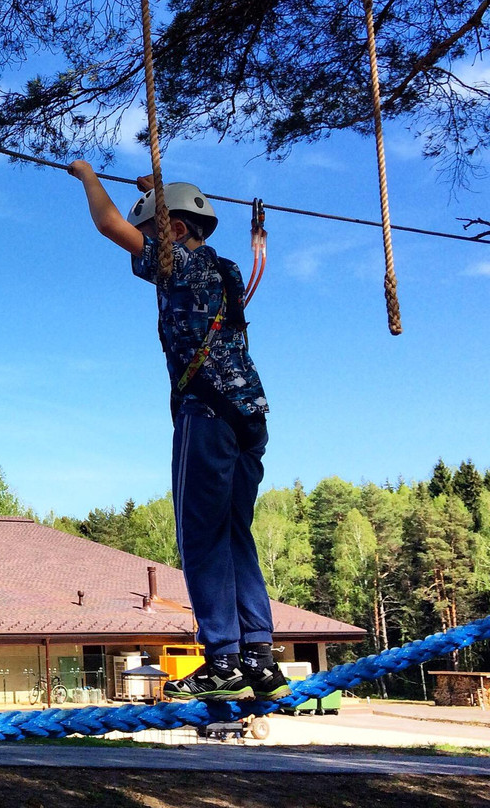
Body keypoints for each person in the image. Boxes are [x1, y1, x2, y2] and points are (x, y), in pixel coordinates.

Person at [68, 161, 290, 702]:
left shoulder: (181, 267)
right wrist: (158, 195)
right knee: (236, 534)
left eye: (153, 237)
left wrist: (88, 178)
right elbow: (161, 228)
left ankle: (223, 659)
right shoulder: (226, 270)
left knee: (202, 538)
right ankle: (258, 657)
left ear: (175, 231)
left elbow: (108, 226)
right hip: (249, 416)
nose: (143, 248)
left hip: (207, 411)